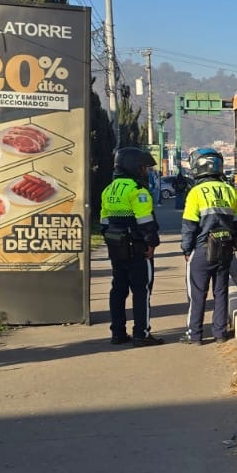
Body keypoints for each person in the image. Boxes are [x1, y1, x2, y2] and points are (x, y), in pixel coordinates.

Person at [100, 147, 164, 346]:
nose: (146, 171)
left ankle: (118, 333)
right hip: (138, 250)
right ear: (133, 167)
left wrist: (113, 242)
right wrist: (151, 244)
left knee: (118, 290)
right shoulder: (137, 190)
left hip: (116, 248)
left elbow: (104, 223)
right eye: (144, 167)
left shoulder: (108, 189)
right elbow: (146, 222)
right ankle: (141, 334)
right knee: (141, 291)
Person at [179, 147, 237, 344]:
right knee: (221, 291)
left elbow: (189, 225)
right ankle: (220, 333)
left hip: (201, 249)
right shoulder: (230, 191)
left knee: (197, 293)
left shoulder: (196, 192)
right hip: (225, 248)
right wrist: (233, 244)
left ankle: (195, 335)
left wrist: (186, 249)